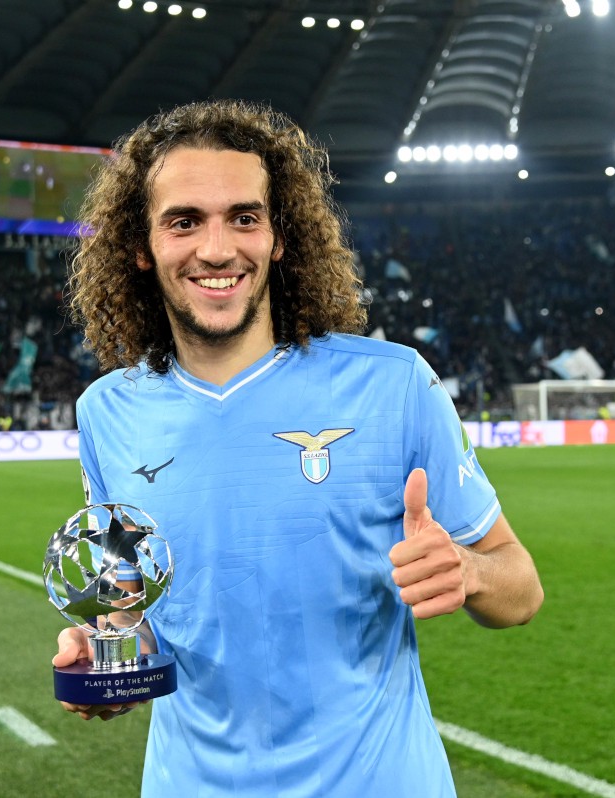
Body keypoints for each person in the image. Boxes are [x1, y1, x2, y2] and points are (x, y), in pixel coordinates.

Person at [54, 99, 544, 797]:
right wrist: (108, 659)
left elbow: (520, 587)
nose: (218, 249)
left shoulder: (394, 383)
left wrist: (467, 570)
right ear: (140, 245)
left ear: (279, 238)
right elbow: (135, 611)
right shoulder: (107, 412)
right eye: (184, 220)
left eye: (244, 217)